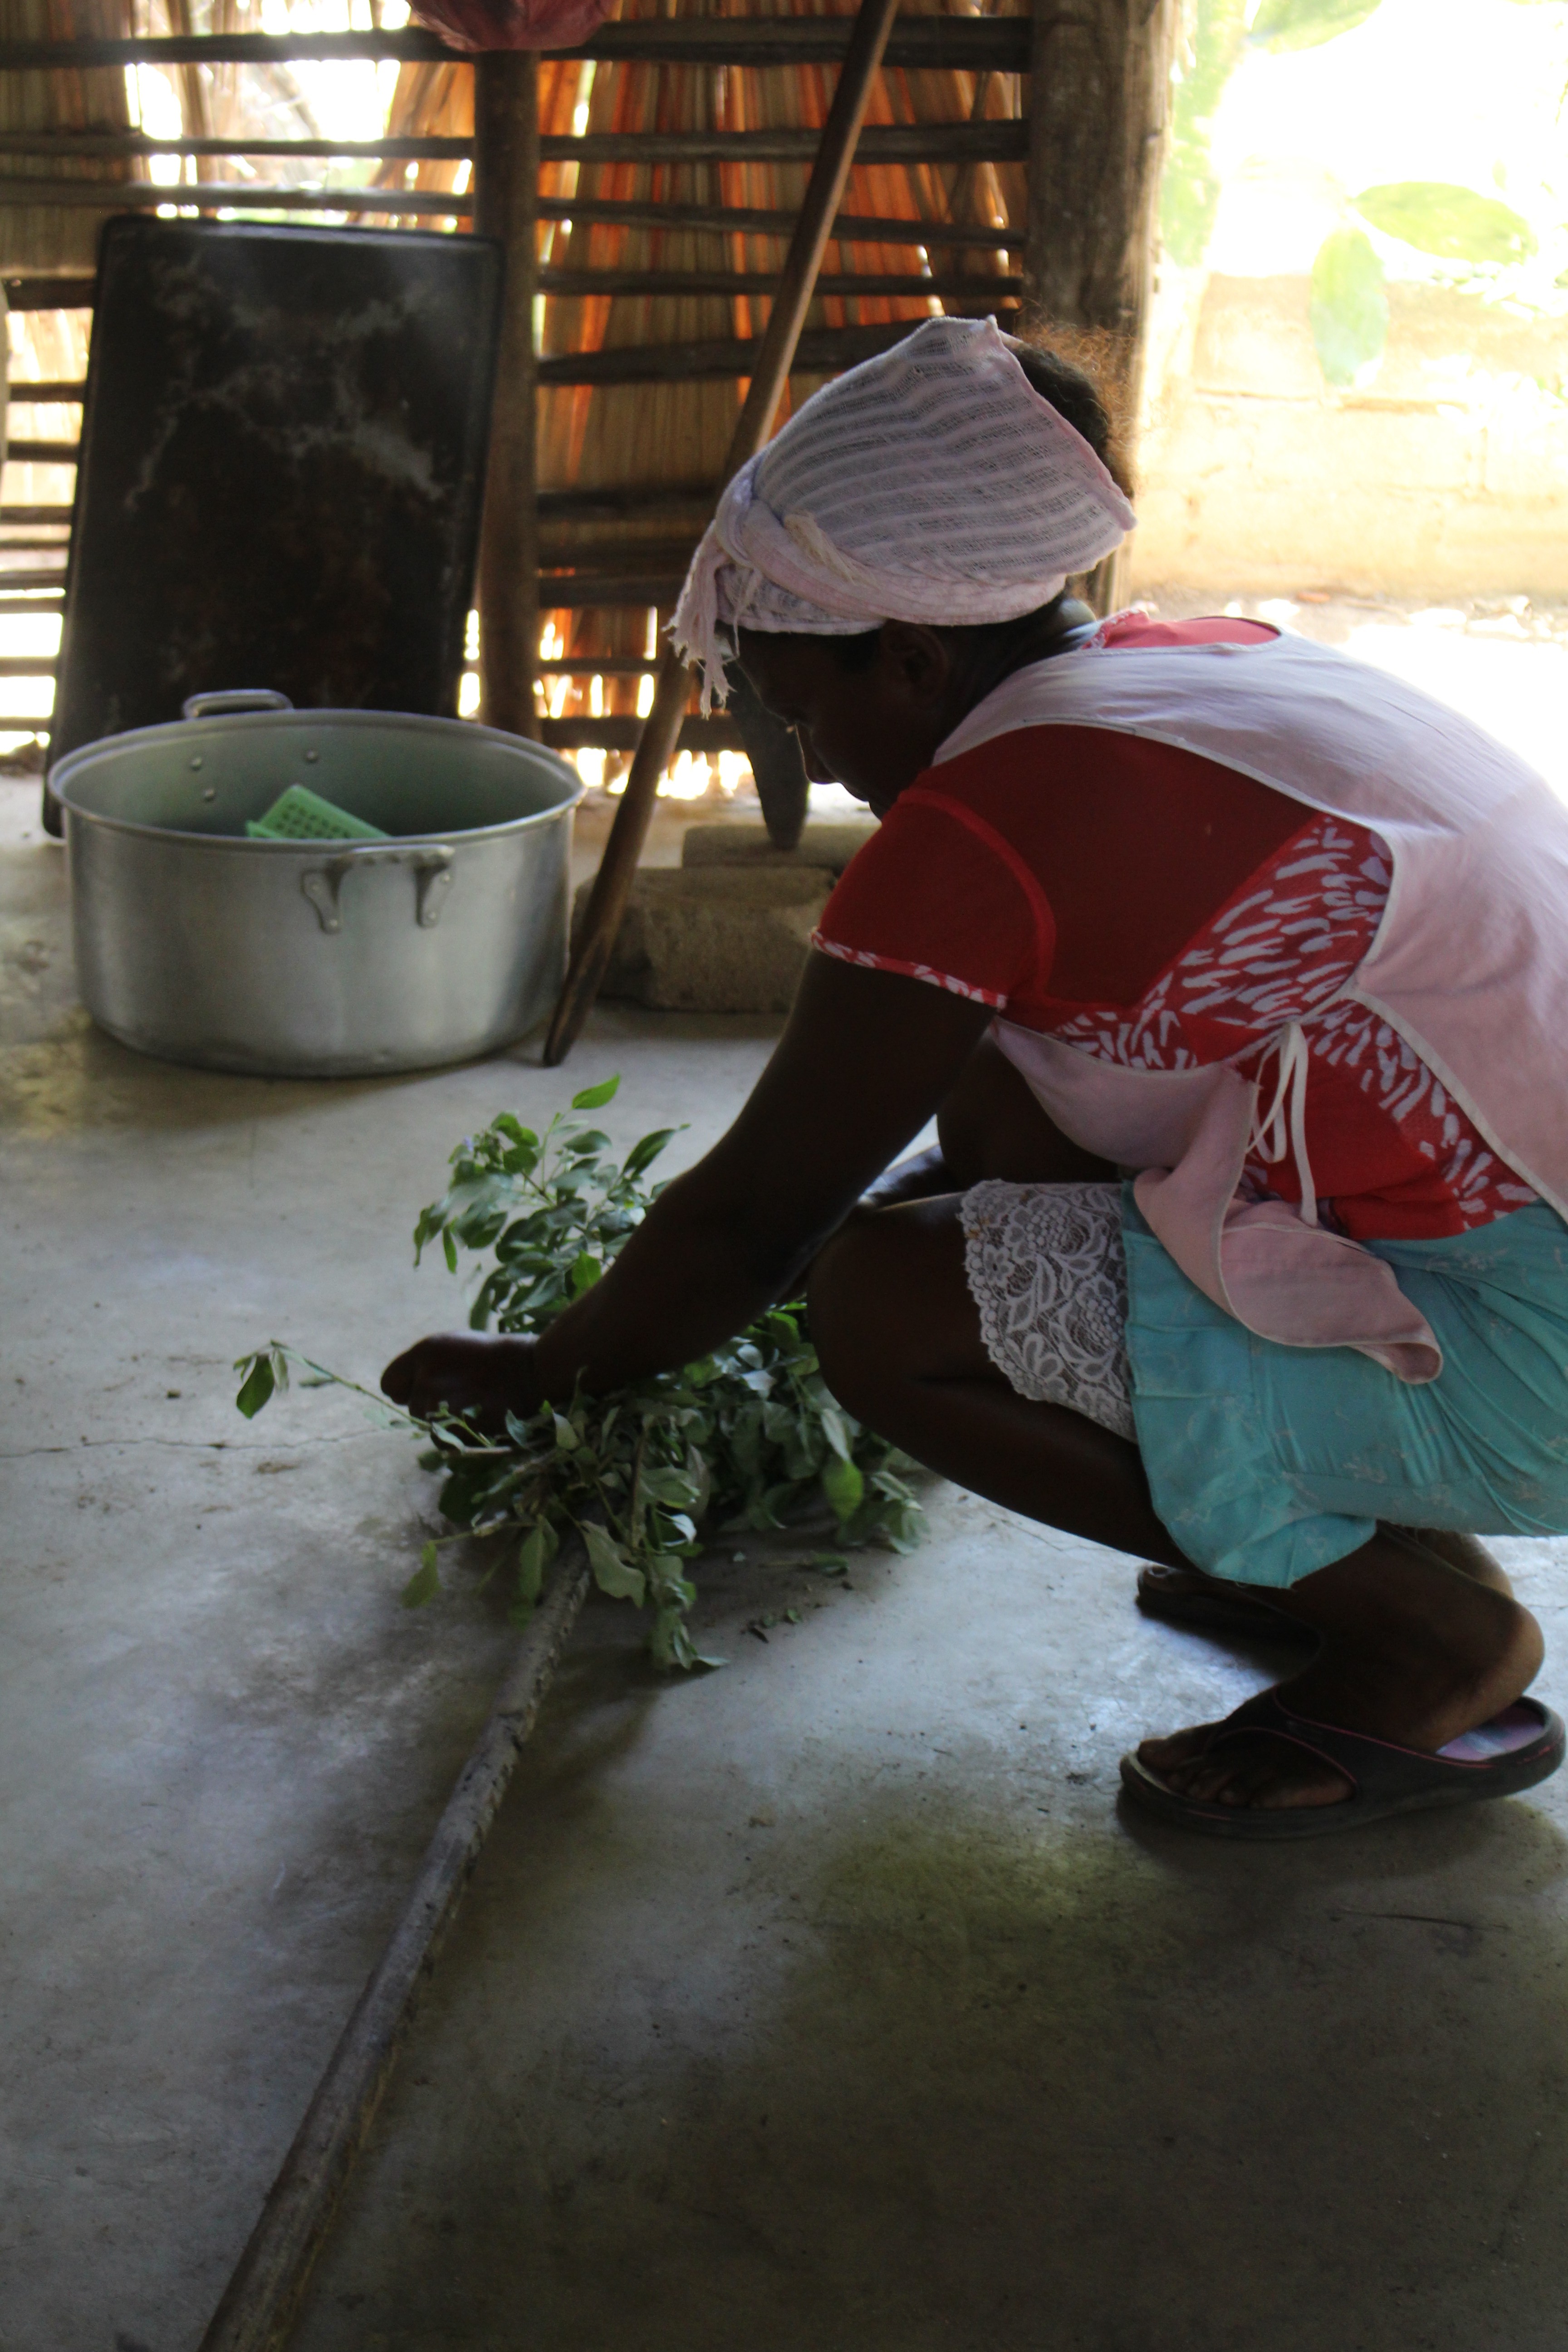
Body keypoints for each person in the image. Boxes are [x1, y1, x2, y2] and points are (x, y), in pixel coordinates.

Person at [384, 314, 1568, 1840]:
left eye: (808, 712)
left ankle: (1428, 1637)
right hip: (1526, 1265)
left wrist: (551, 1371)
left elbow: (756, 1221)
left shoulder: (979, 829)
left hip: (1538, 1355)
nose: (817, 760)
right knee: (995, 1114)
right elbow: (996, 1123)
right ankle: (1339, 1543)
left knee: (877, 1305)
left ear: (916, 655)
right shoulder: (1200, 665)